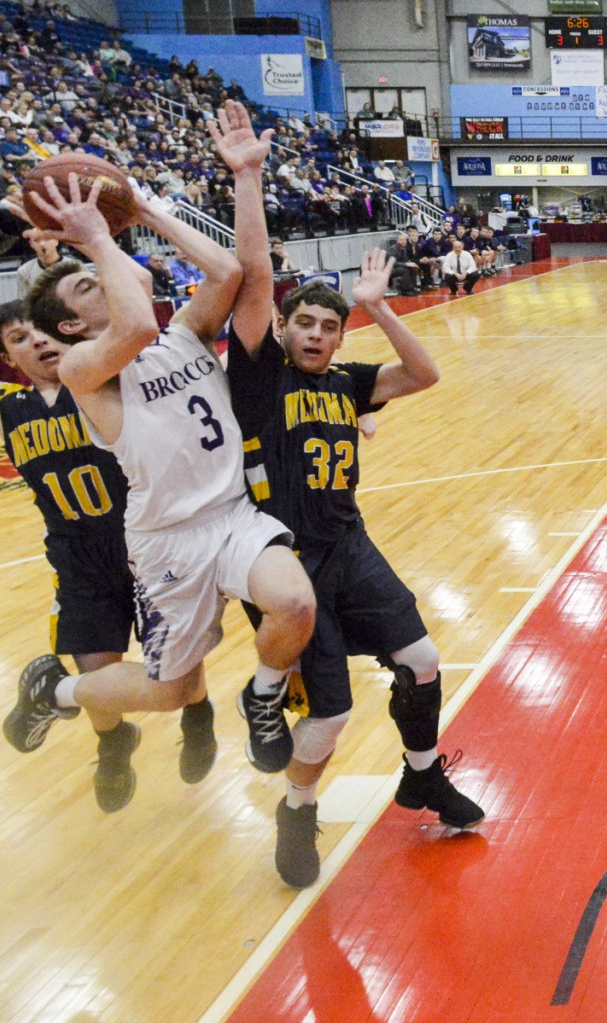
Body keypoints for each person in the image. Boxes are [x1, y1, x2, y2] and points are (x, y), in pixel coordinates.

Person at [11, 103, 317, 780]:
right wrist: (93, 240)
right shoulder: (84, 369)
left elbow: (228, 272)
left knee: (294, 601)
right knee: (170, 691)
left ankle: (261, 695)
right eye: (89, 285)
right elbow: (130, 330)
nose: (109, 271)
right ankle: (54, 690)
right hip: (168, 539)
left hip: (231, 514)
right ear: (67, 328)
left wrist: (141, 211)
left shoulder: (180, 331)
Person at [0, 225, 220, 810]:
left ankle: (199, 712)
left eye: (42, 329)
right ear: (7, 357)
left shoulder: (110, 380)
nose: (36, 342)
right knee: (99, 675)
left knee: (176, 674)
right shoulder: (5, 406)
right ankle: (113, 744)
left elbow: (133, 307)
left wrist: (90, 245)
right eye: (18, 338)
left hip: (149, 544)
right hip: (79, 558)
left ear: (67, 329)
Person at [226, 218, 485, 886]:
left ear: (341, 336)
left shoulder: (347, 381)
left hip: (350, 543)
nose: (314, 334)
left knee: (423, 661)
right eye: (303, 322)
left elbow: (422, 373)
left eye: (327, 326)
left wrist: (376, 306)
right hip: (289, 562)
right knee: (331, 712)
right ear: (282, 327)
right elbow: (251, 280)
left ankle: (423, 775)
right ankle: (296, 808)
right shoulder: (258, 384)